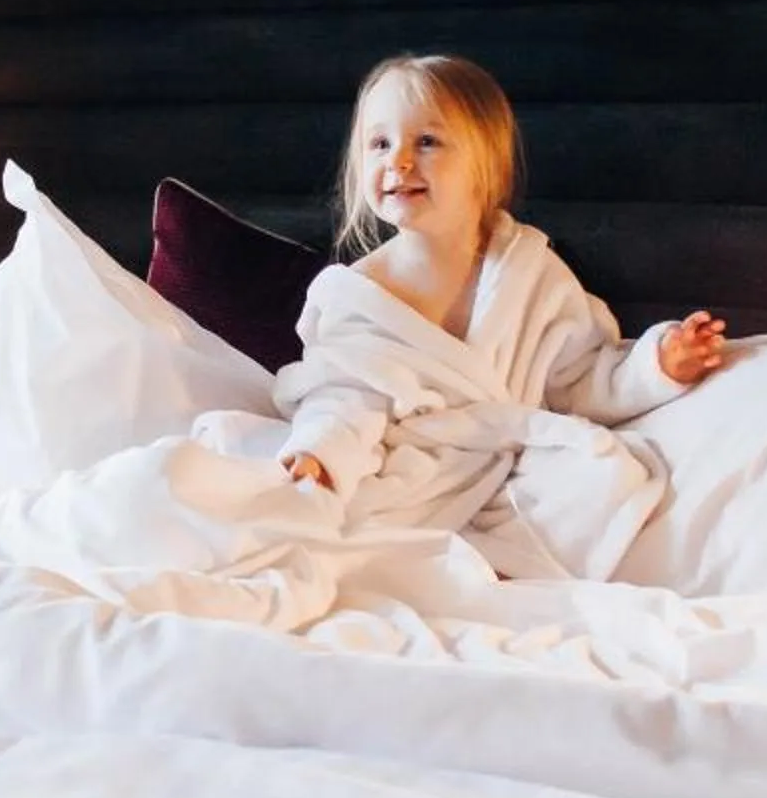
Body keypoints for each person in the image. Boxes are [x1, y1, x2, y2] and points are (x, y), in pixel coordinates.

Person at [275, 53, 725, 582]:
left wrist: (659, 365)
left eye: (427, 142)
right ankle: (437, 567)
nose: (399, 161)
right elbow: (344, 396)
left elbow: (580, 377)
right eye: (379, 144)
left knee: (607, 471)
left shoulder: (529, 272)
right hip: (415, 474)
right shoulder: (358, 295)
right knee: (336, 509)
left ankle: (501, 571)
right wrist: (321, 454)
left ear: (485, 161)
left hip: (516, 469)